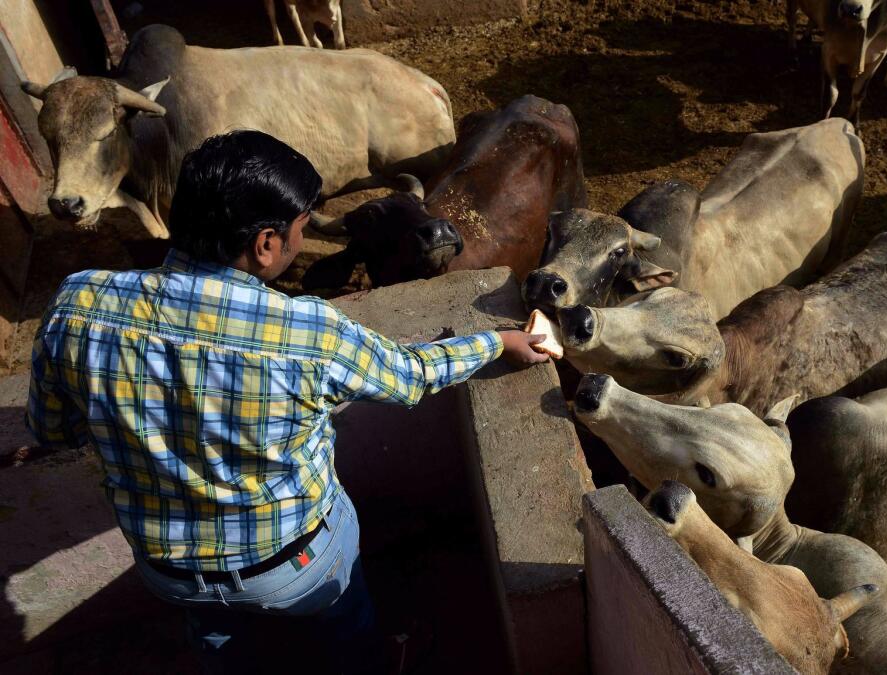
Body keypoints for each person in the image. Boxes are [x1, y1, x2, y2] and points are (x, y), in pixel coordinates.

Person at [24, 130, 549, 673]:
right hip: (294, 564)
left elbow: (52, 431)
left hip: (171, 574)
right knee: (346, 629)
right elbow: (409, 376)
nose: (300, 244)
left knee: (221, 645)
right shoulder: (308, 331)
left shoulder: (77, 303)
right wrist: (495, 340)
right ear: (266, 244)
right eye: (300, 231)